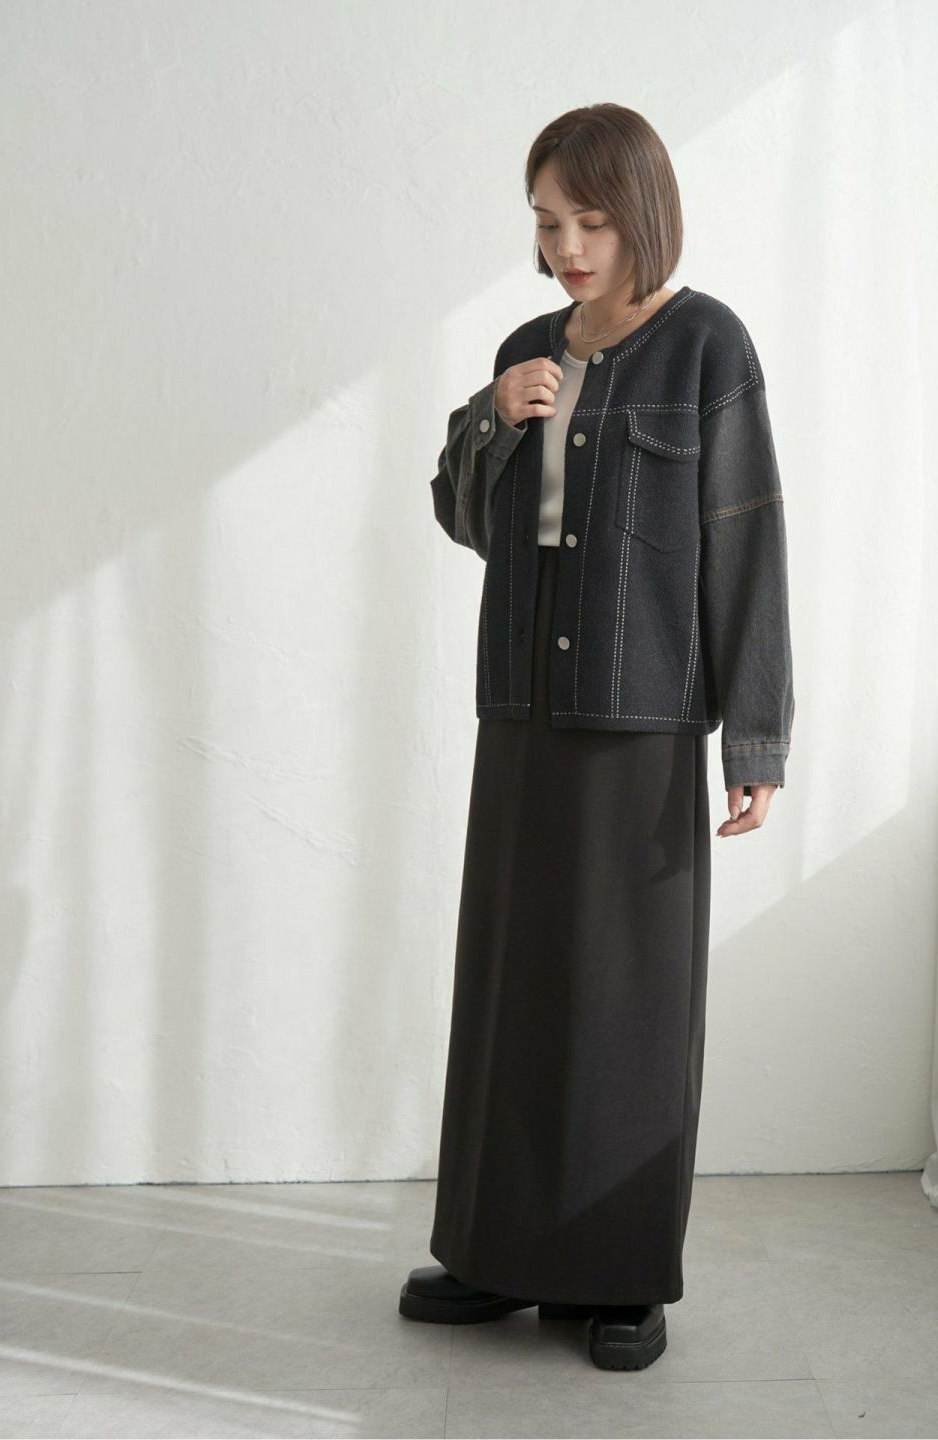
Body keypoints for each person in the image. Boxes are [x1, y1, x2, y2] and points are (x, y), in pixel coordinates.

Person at [399, 103, 795, 1372]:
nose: (566, 247)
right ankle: (496, 1252)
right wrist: (489, 421)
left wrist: (756, 740)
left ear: (641, 215)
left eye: (590, 220)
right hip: (521, 711)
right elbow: (468, 521)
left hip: (642, 721)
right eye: (547, 222)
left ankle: (618, 1276)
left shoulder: (707, 347)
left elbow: (746, 540)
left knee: (628, 1005)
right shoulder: (527, 349)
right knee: (511, 988)